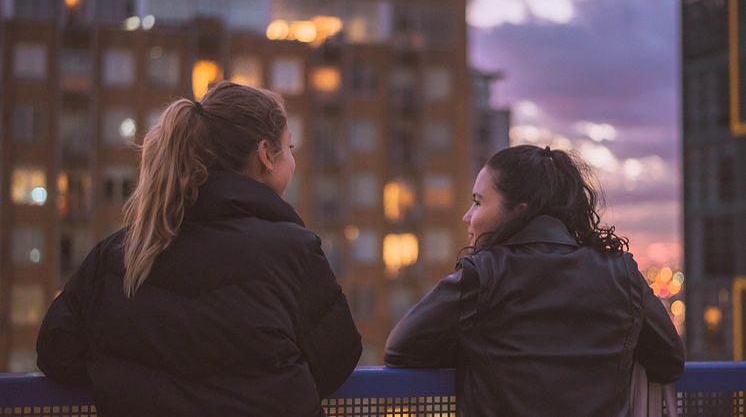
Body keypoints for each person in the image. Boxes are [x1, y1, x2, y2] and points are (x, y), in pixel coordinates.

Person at [36, 81, 361, 417]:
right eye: (289, 147)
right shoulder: (295, 253)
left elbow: (57, 352)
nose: (292, 159)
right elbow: (338, 358)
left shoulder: (120, 253)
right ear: (265, 155)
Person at [384, 145, 684, 416]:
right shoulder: (621, 273)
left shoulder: (483, 275)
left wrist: (478, 347)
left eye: (478, 202)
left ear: (518, 211)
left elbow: (401, 351)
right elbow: (668, 360)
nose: (467, 216)